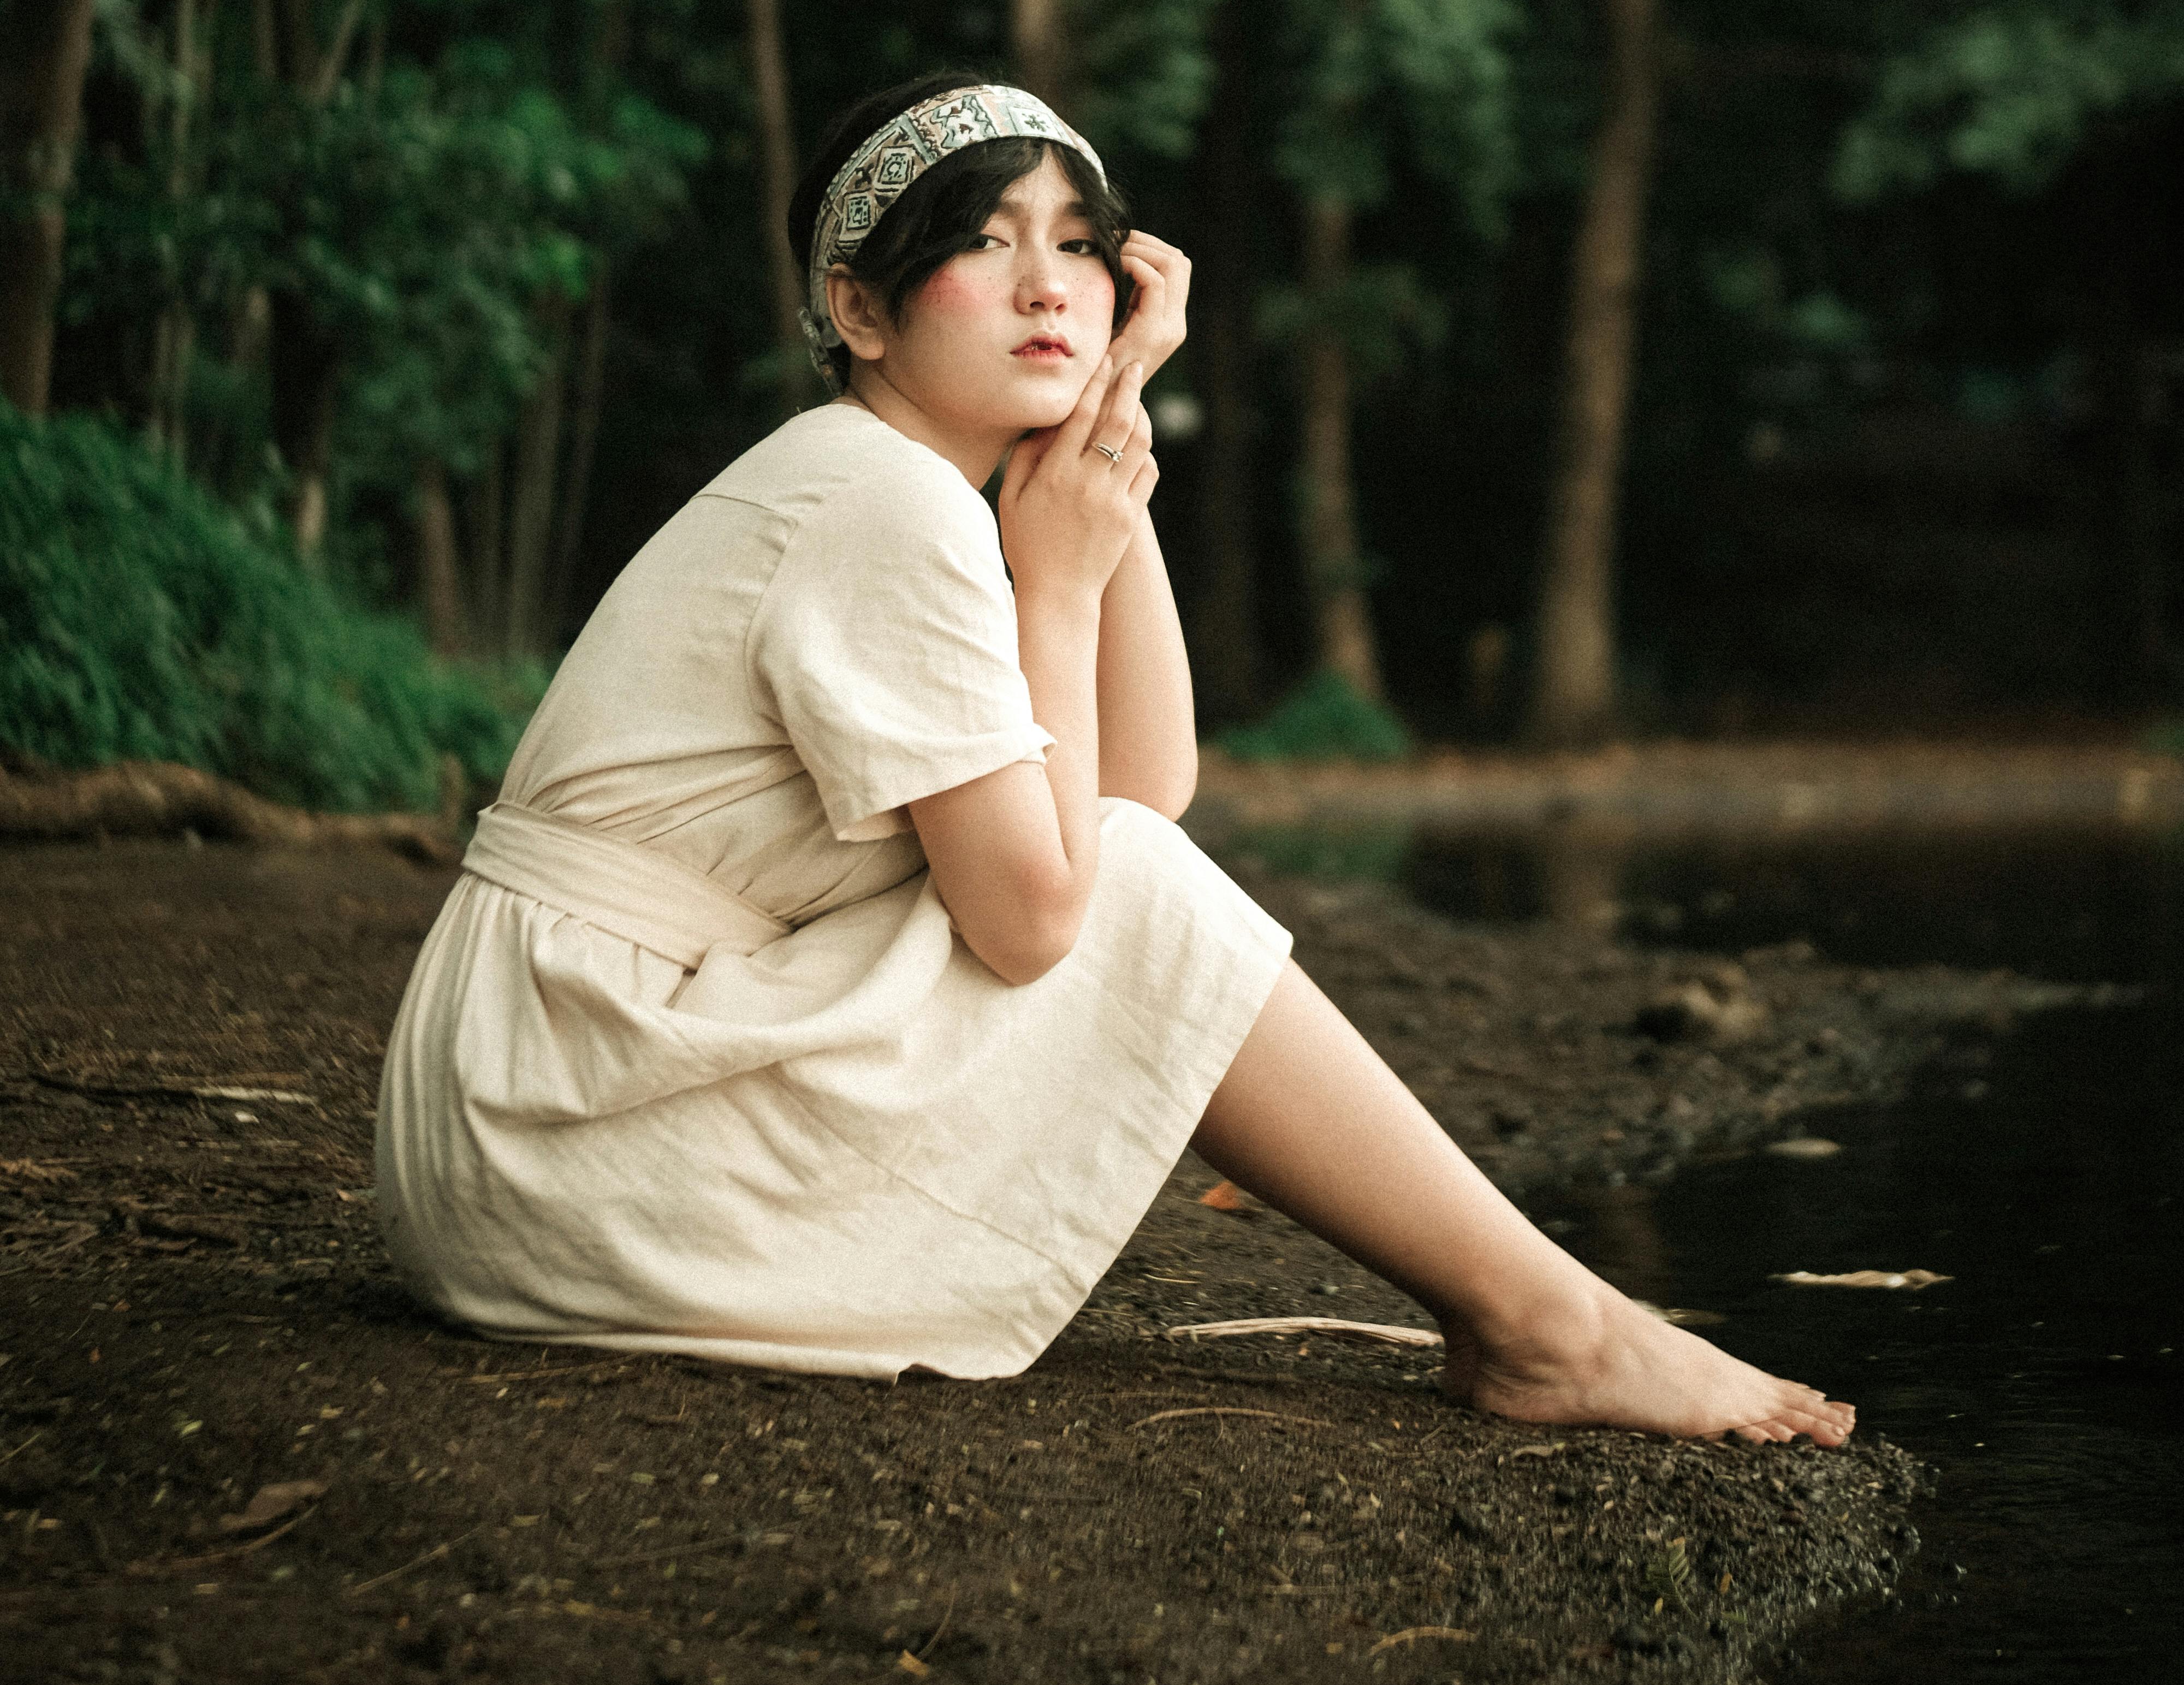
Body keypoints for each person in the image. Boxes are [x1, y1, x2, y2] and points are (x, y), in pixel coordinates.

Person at [376, 70, 1852, 1445]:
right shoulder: (878, 499)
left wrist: (1108, 429)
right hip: (569, 1127)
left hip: (535, 1109)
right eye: (987, 242)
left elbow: (1135, 794)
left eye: (1086, 248)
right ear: (862, 311)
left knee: (1125, 869)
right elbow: (1046, 921)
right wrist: (1061, 590)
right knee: (1105, 892)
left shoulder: (896, 484)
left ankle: (1549, 1317)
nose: (1048, 287)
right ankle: (1548, 1322)